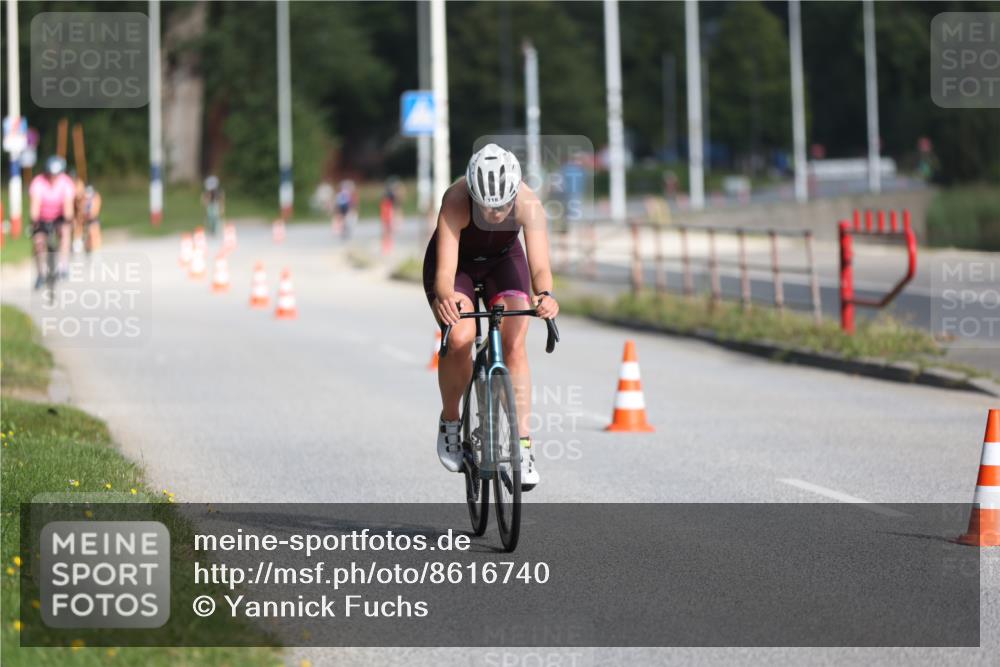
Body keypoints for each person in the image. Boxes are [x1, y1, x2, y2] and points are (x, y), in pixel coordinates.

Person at [423, 143, 559, 491]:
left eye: (501, 205)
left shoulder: (529, 203)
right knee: (460, 338)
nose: (495, 212)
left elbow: (540, 266)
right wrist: (446, 296)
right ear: (472, 192)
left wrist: (544, 295)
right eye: (486, 205)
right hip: (458, 268)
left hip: (503, 261)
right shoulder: (456, 199)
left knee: (514, 343)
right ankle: (451, 423)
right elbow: (445, 272)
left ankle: (523, 446)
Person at [28, 156, 75, 289]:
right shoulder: (38, 182)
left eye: (56, 175)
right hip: (42, 216)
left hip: (59, 216)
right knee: (38, 242)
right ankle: (41, 273)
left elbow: (68, 208)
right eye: (51, 174)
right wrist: (35, 221)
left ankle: (63, 267)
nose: (53, 177)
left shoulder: (66, 183)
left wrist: (67, 220)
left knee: (65, 233)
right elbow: (35, 207)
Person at [74, 178, 102, 254]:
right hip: (82, 219)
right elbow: (79, 208)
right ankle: (78, 242)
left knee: (93, 231)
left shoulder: (96, 197)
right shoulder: (81, 198)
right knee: (78, 227)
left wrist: (89, 215)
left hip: (92, 219)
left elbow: (95, 211)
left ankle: (94, 248)